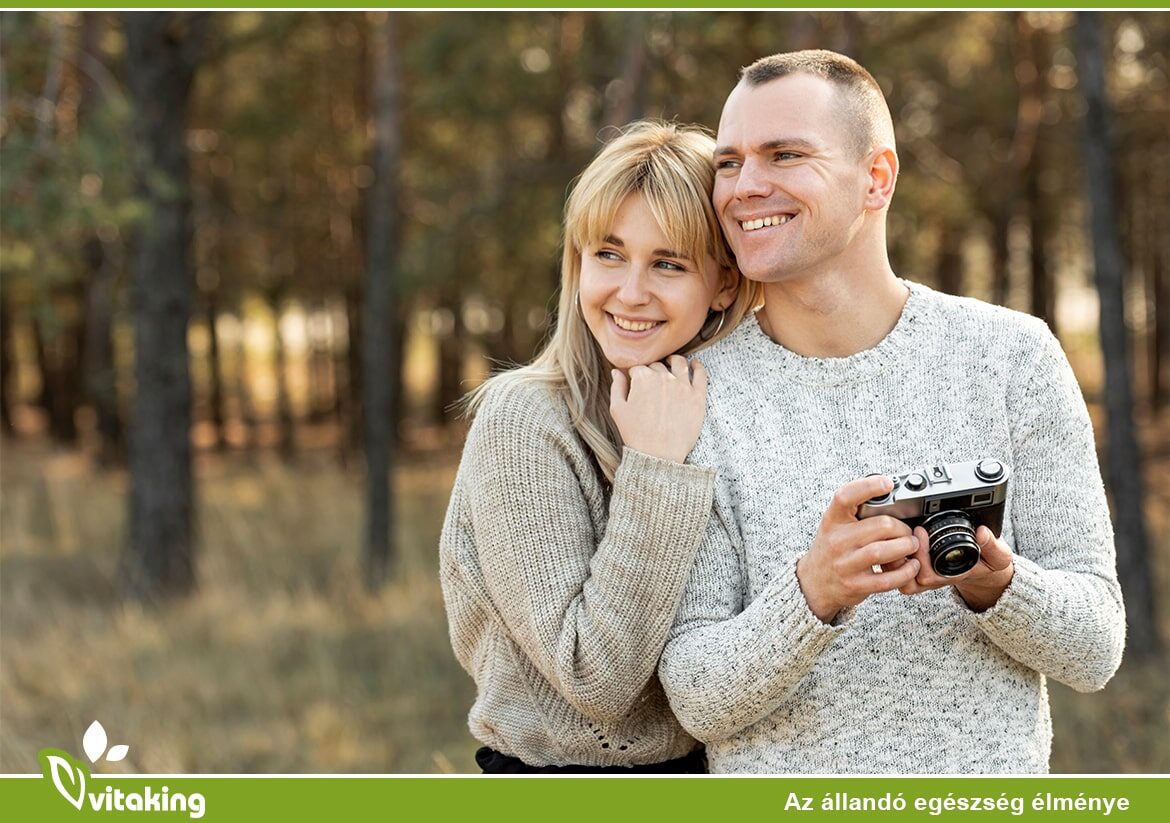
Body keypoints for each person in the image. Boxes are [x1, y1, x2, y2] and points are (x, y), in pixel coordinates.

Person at [657, 50, 1126, 774]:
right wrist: (814, 592)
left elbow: (1096, 647)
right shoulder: (697, 394)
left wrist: (995, 583)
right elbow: (695, 694)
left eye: (785, 154)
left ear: (876, 177)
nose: (745, 187)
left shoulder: (1011, 357)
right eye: (728, 162)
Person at [439, 121, 763, 773]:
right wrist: (654, 470)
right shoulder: (525, 419)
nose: (630, 291)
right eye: (608, 254)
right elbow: (595, 679)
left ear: (724, 283)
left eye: (667, 263)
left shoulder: (726, 414)